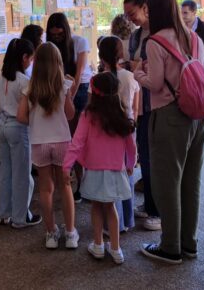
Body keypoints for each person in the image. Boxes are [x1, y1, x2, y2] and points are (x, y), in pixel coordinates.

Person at [134, 0, 204, 265]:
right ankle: (189, 244)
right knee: (191, 182)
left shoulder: (156, 42)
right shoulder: (194, 38)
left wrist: (138, 73)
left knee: (167, 183)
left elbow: (154, 84)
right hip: (198, 116)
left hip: (169, 117)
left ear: (154, 12)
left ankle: (170, 247)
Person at [63, 72, 136, 265]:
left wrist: (66, 166)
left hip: (94, 169)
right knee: (111, 207)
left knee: (96, 207)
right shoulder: (121, 115)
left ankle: (98, 245)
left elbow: (77, 142)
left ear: (94, 94)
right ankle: (116, 249)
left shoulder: (88, 116)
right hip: (116, 169)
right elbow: (131, 144)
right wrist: (130, 164)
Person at [17, 43, 78, 250]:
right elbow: (70, 115)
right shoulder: (65, 86)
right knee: (65, 186)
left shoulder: (29, 88)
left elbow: (21, 116)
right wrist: (69, 96)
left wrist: (35, 123)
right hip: (62, 141)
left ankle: (51, 234)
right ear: (58, 62)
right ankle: (70, 234)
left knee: (45, 189)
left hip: (39, 142)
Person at [122, 0, 161, 232]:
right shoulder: (137, 36)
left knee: (156, 160)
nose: (130, 19)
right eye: (127, 15)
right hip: (141, 103)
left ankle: (158, 212)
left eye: (132, 13)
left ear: (145, 7)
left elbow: (148, 67)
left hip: (158, 104)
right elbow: (136, 65)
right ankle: (149, 204)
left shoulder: (161, 34)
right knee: (144, 158)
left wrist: (135, 65)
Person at [0, 39, 41, 229]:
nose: (31, 62)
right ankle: (21, 218)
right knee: (22, 175)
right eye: (30, 59)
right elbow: (29, 109)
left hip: (2, 125)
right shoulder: (24, 81)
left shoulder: (1, 77)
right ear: (24, 57)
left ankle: (4, 213)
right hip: (18, 128)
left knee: (6, 172)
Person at [46, 13, 91, 203]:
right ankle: (72, 181)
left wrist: (69, 97)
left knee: (77, 139)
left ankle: (83, 185)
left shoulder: (80, 42)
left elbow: (78, 74)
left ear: (66, 30)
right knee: (68, 139)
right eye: (53, 35)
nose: (57, 37)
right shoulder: (50, 46)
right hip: (63, 90)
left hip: (79, 89)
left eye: (60, 34)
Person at [96, 36, 139, 233]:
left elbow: (93, 109)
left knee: (110, 176)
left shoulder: (98, 80)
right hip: (127, 129)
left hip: (106, 131)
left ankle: (113, 224)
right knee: (127, 172)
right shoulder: (130, 77)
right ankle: (127, 220)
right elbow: (135, 109)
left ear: (101, 55)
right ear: (121, 54)